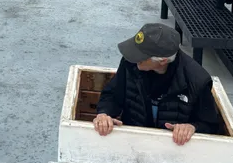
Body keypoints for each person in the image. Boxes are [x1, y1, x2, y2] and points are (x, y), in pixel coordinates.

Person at [93, 23, 221, 145]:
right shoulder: (130, 62)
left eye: (141, 57)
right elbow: (112, 94)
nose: (134, 58)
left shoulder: (197, 80)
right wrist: (104, 113)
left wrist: (192, 127)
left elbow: (210, 124)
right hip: (133, 138)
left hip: (174, 146)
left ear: (162, 61)